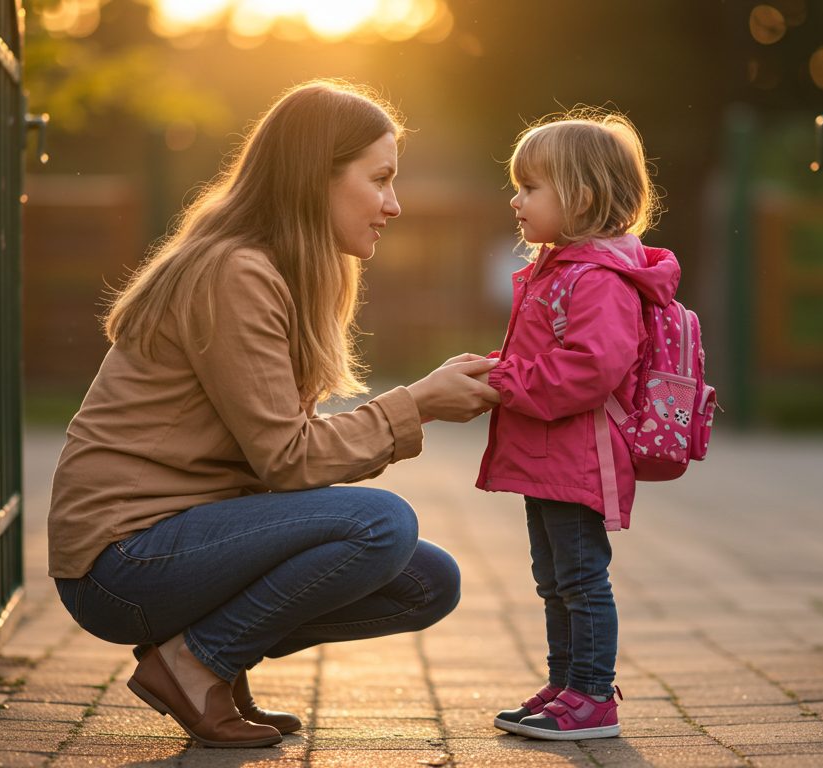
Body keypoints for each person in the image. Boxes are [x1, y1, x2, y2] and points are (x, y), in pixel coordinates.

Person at [46, 79, 500, 749]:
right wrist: (417, 405)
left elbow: (273, 468)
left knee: (427, 582)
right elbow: (287, 461)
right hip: (119, 564)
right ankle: (195, 666)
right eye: (379, 180)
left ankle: (211, 662)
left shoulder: (280, 272)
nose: (394, 205)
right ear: (317, 176)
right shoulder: (234, 272)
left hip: (174, 541)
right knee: (382, 525)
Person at [476, 110, 677, 740]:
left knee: (581, 577)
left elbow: (592, 367)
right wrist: (493, 368)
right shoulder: (561, 268)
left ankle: (592, 695)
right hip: (548, 451)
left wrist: (505, 381)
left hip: (579, 452)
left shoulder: (597, 279)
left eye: (530, 188)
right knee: (552, 577)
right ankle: (566, 683)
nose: (516, 201)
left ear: (581, 195)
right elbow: (548, 357)